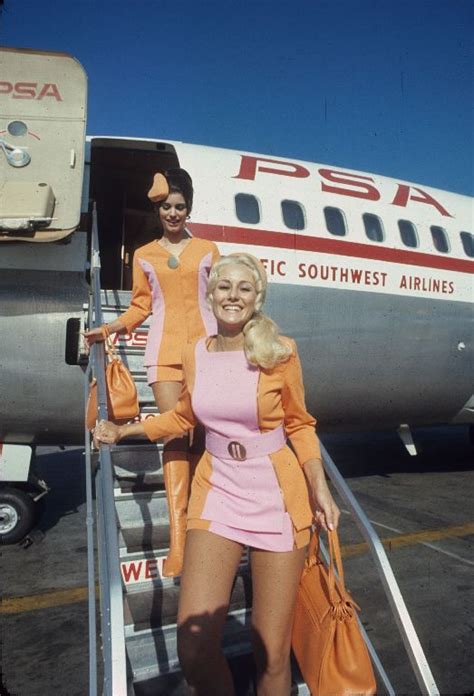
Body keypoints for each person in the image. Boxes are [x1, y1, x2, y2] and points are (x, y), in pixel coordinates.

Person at [94, 253, 340, 696]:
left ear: (257, 297)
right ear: (211, 294)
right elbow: (184, 416)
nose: (233, 295)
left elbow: (300, 424)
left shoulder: (280, 351)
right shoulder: (196, 353)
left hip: (276, 498)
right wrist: (126, 428)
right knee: (193, 647)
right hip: (218, 490)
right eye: (224, 286)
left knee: (272, 652)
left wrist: (319, 486)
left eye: (244, 288)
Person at [85, 168, 219, 577]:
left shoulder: (209, 250)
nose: (173, 213)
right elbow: (141, 307)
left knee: (204, 439)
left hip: (207, 352)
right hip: (163, 355)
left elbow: (225, 299)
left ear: (189, 209)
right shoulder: (144, 254)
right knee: (175, 435)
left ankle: (204, 532)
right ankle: (180, 541)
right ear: (158, 209)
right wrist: (108, 328)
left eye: (179, 207)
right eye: (166, 207)